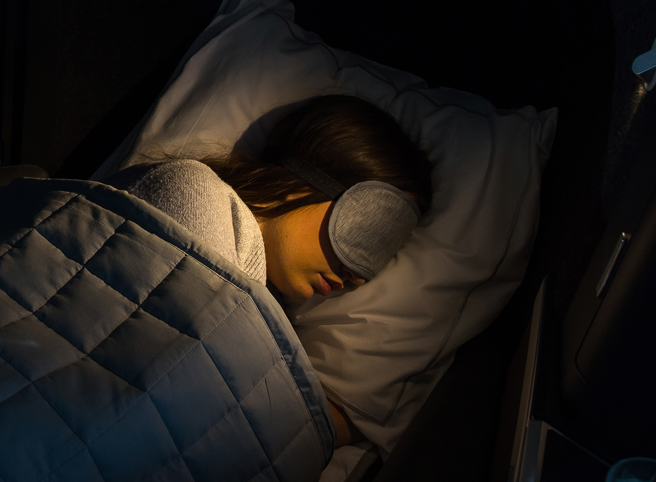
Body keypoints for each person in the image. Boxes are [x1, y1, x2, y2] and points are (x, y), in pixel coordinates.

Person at [103, 94, 434, 447]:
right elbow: (202, 404)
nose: (359, 277)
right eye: (368, 233)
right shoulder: (194, 195)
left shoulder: (264, 304)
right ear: (312, 176)